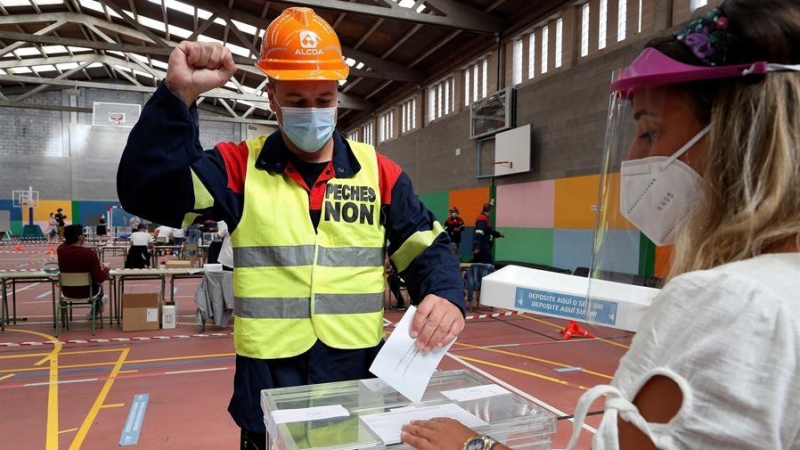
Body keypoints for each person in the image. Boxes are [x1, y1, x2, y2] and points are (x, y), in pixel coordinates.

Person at [401, 2, 800, 449]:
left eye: (648, 131)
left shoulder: (730, 302)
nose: (632, 158)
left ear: (739, 137)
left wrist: (477, 447)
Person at [116, 7, 466, 450]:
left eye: (324, 99)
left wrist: (446, 293)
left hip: (355, 381)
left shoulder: (379, 173)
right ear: (272, 98)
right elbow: (146, 192)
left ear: (339, 95)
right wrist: (176, 96)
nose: (312, 111)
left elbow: (425, 247)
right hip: (271, 385)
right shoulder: (238, 168)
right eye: (297, 100)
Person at [57, 224, 109, 319]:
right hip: (88, 292)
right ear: (80, 237)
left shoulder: (60, 250)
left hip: (67, 292)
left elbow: (64, 245)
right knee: (99, 284)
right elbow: (100, 278)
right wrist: (106, 269)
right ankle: (97, 306)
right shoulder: (90, 254)